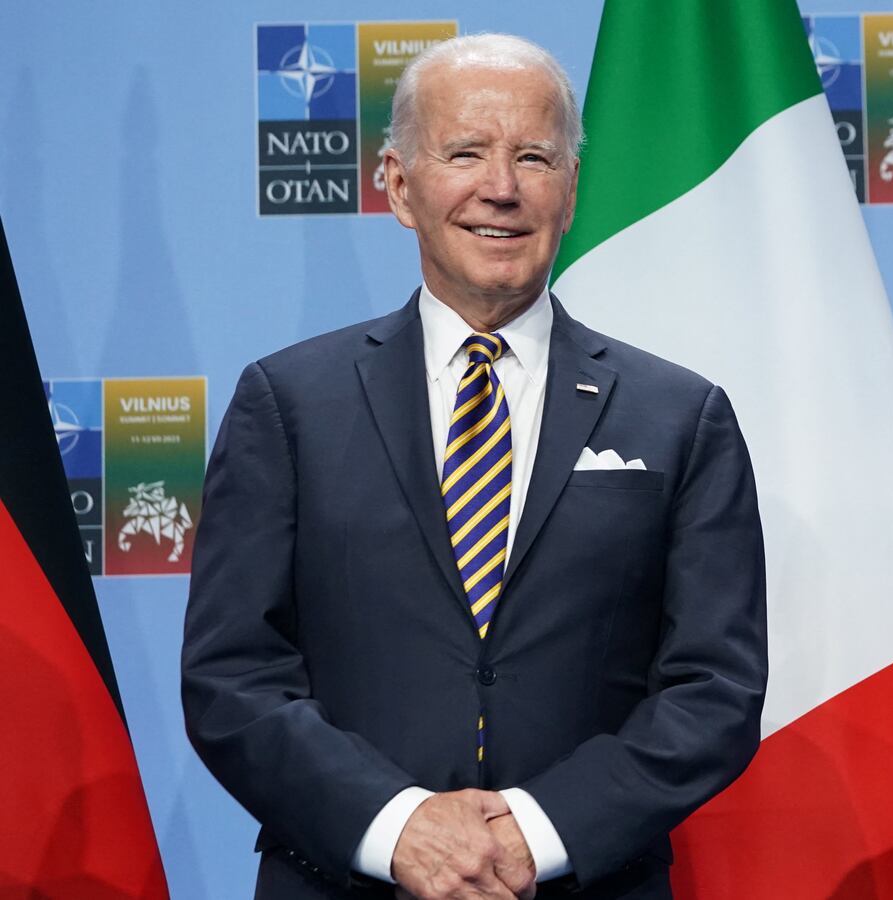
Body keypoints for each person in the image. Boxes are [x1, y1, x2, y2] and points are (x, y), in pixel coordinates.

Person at [182, 34, 766, 900]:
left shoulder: (680, 415)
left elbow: (714, 689)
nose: (501, 187)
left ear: (571, 189)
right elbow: (232, 677)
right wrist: (398, 828)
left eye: (534, 157)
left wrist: (540, 832)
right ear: (398, 186)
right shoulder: (289, 403)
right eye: (465, 153)